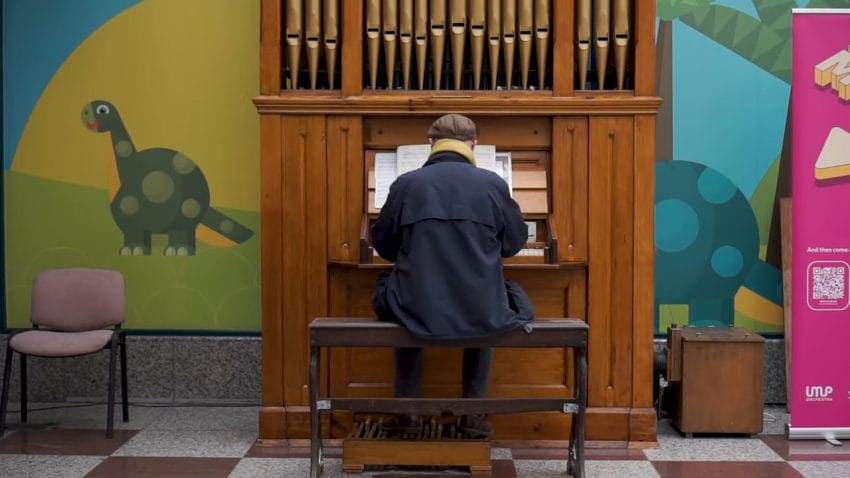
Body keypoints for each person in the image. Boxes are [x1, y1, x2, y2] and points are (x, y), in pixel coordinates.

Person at [371, 113, 534, 438]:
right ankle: (472, 416)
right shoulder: (493, 184)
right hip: (479, 307)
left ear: (431, 143)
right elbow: (513, 244)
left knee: (404, 302)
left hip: (417, 306)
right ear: (473, 145)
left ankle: (407, 413)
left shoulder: (406, 184)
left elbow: (385, 246)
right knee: (486, 305)